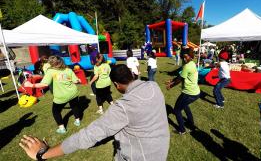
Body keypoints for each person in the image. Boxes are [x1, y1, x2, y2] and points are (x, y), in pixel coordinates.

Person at [19, 64, 170, 161]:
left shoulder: (124, 107)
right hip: (160, 152)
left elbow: (88, 136)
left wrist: (43, 154)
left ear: (116, 85)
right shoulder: (153, 86)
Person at [24, 55, 81, 134]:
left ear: (51, 63)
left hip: (62, 96)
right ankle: (77, 121)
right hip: (73, 93)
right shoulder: (68, 70)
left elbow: (44, 84)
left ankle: (62, 128)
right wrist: (78, 80)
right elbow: (75, 81)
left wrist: (30, 85)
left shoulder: (51, 71)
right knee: (74, 106)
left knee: (56, 111)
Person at [166, 49, 200, 134]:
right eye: (183, 57)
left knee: (177, 110)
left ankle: (182, 129)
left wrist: (171, 85)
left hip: (189, 93)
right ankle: (190, 123)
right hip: (195, 92)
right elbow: (181, 75)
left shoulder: (187, 66)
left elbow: (180, 80)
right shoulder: (191, 63)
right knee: (185, 106)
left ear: (190, 56)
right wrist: (171, 80)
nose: (184, 59)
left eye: (186, 57)